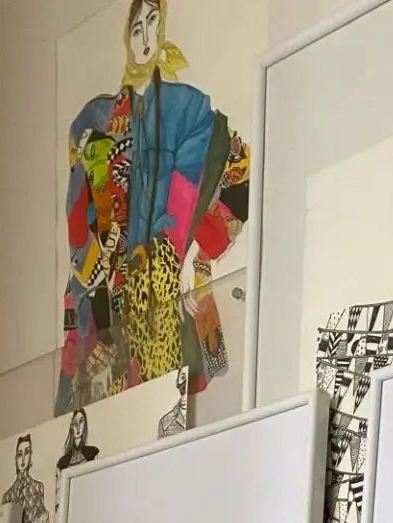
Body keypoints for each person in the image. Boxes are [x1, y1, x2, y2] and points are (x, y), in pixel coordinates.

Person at [57, 0, 250, 411]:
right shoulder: (95, 121)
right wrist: (95, 304)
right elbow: (78, 219)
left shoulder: (189, 109)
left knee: (177, 416)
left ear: (162, 28)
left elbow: (240, 175)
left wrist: (199, 260)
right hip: (111, 300)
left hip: (166, 294)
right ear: (126, 37)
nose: (145, 37)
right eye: (136, 28)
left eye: (152, 22)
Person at [57, 408, 100, 473]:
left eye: (81, 421)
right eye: (75, 423)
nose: (78, 427)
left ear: (85, 423)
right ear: (71, 426)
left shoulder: (93, 452)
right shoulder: (63, 462)